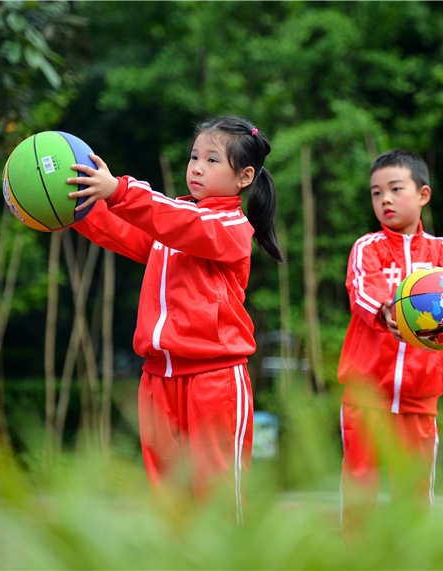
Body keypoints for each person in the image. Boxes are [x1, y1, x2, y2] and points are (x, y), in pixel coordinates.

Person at [66, 116, 283, 522]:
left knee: (217, 503)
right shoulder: (175, 222)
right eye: (194, 156)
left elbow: (176, 223)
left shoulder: (231, 227)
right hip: (157, 382)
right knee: (169, 505)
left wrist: (120, 190)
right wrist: (77, 208)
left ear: (244, 176)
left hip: (214, 381)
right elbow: (126, 231)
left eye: (212, 159)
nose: (197, 167)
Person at [338, 149, 443, 534]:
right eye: (375, 193)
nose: (384, 199)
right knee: (360, 486)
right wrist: (387, 311)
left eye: (395, 189)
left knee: (416, 490)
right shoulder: (367, 247)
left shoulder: (442, 253)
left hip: (420, 396)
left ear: (423, 194)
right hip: (366, 393)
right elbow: (360, 293)